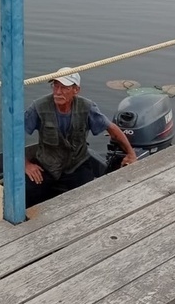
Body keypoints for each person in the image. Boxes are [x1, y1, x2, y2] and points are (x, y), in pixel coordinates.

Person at [24, 69, 137, 208]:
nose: (58, 92)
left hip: (77, 165)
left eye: (64, 87)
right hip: (47, 165)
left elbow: (112, 129)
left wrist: (131, 154)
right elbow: (15, 135)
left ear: (76, 90)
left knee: (88, 198)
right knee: (25, 193)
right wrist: (26, 164)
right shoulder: (38, 107)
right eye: (55, 86)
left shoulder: (87, 107)